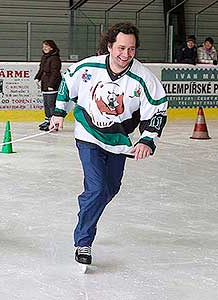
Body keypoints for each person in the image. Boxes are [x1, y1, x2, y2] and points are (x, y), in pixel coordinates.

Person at [50, 22, 168, 267]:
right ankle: (83, 241)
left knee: (109, 189)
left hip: (118, 141)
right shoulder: (88, 67)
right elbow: (67, 83)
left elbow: (158, 108)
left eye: (131, 49)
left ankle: (87, 208)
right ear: (109, 46)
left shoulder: (143, 77)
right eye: (121, 48)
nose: (126, 55)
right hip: (88, 136)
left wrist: (147, 139)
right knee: (96, 189)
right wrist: (59, 113)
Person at [34, 40, 62, 131]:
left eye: (47, 46)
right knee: (46, 103)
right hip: (45, 83)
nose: (44, 48)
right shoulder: (44, 57)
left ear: (52, 47)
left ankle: (54, 123)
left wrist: (51, 84)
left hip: (52, 84)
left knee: (51, 104)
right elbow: (41, 69)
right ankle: (48, 120)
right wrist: (37, 78)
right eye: (43, 47)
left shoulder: (55, 58)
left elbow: (55, 73)